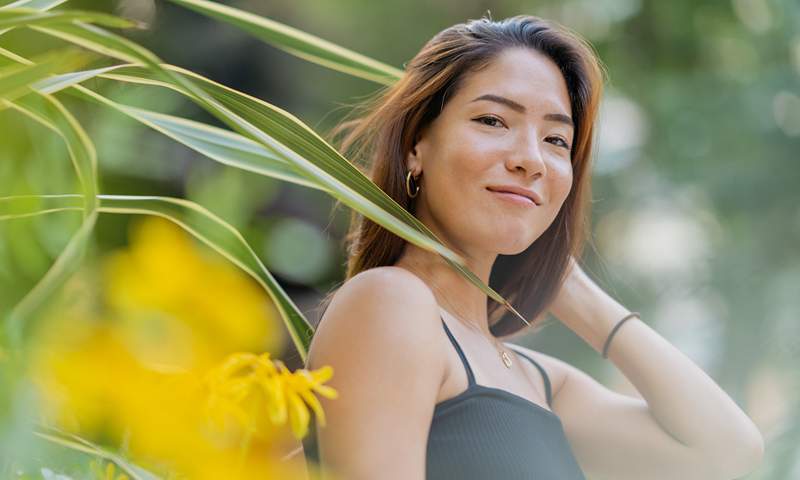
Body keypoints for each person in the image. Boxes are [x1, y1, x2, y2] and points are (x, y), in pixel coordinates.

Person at [301, 14, 764, 480]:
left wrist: (570, 285)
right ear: (414, 146)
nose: (530, 160)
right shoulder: (390, 301)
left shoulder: (538, 381)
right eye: (493, 120)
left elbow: (726, 451)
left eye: (556, 139)